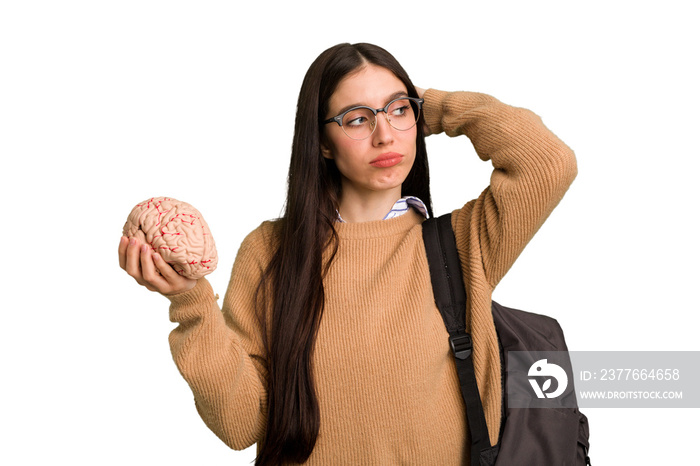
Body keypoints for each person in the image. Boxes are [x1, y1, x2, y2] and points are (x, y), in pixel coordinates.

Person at [118, 42, 577, 465]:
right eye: (357, 119)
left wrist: (431, 107)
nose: (385, 135)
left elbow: (548, 162)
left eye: (398, 111)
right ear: (320, 142)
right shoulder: (270, 251)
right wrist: (192, 305)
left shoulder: (463, 244)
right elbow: (242, 424)